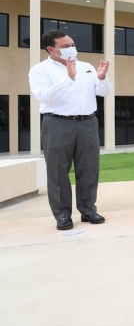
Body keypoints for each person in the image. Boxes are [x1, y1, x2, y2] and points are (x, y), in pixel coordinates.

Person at [29, 30, 112, 230]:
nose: (71, 49)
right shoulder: (39, 71)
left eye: (72, 44)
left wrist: (101, 78)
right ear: (51, 49)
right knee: (58, 171)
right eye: (65, 46)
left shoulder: (86, 67)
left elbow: (104, 92)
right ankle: (62, 215)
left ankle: (88, 209)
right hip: (57, 123)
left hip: (88, 123)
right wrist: (68, 78)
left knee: (89, 168)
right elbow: (44, 96)